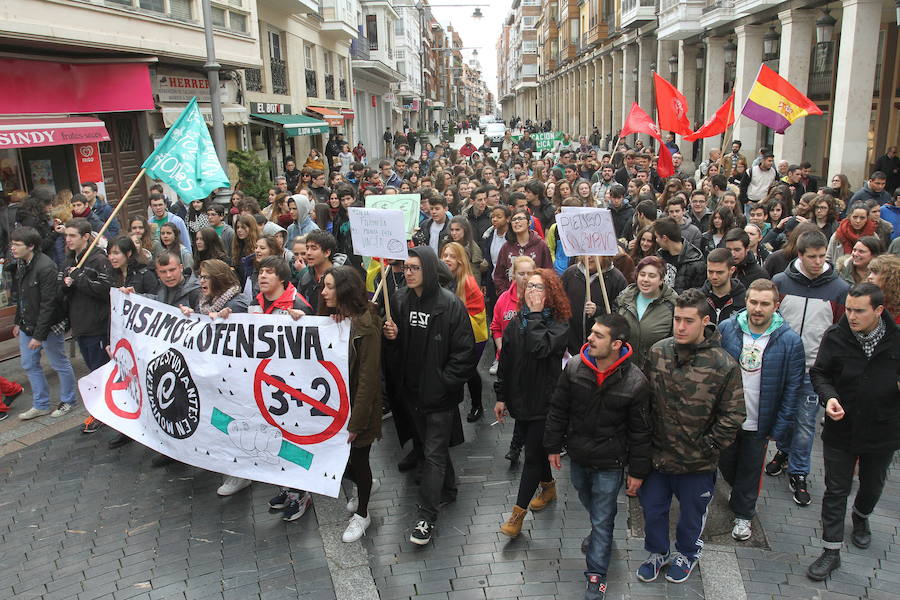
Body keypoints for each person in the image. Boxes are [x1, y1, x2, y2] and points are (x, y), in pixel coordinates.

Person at [638, 289, 745, 584]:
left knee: (691, 515)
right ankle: (657, 552)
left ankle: (687, 553)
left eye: (688, 320)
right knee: (653, 508)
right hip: (658, 457)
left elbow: (734, 415)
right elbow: (643, 400)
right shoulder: (658, 352)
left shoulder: (723, 364)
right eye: (677, 320)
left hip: (697, 463)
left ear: (705, 321)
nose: (681, 327)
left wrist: (708, 446)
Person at [543, 313, 651, 599]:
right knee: (587, 498)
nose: (589, 338)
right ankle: (600, 530)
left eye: (598, 335)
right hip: (579, 456)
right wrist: (553, 446)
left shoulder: (636, 382)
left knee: (603, 517)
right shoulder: (575, 367)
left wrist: (637, 472)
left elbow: (641, 431)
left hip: (610, 462)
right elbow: (558, 408)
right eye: (591, 332)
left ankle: (596, 577)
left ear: (617, 344)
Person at [382, 247, 476, 546]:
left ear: (429, 270)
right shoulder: (398, 300)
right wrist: (392, 339)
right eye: (406, 267)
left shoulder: (450, 305)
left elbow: (465, 352)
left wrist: (444, 383)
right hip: (412, 394)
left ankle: (426, 516)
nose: (408, 272)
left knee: (432, 454)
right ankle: (447, 490)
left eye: (414, 268)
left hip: (438, 397)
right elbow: (395, 352)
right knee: (429, 448)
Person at [807, 283, 900, 581]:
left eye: (859, 311)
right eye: (847, 309)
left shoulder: (896, 340)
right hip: (841, 429)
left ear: (878, 311)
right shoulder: (836, 336)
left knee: (872, 485)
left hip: (882, 430)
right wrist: (829, 397)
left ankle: (861, 516)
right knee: (836, 489)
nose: (851, 315)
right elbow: (819, 372)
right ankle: (830, 551)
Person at [718, 279, 805, 541]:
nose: (758, 308)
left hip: (760, 421)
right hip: (728, 419)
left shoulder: (790, 341)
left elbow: (793, 388)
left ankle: (744, 515)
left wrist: (780, 427)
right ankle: (739, 491)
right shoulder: (727, 329)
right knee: (727, 463)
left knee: (751, 469)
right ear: (746, 302)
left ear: (775, 306)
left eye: (764, 304)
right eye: (753, 302)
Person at [768, 230, 849, 506]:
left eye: (821, 256)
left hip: (813, 370)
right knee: (784, 417)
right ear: (800, 255)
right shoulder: (780, 282)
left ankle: (799, 471)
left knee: (805, 423)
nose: (817, 262)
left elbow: (840, 331)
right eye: (811, 257)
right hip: (781, 366)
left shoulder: (839, 289)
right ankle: (783, 451)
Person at [494, 269, 569, 536]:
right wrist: (501, 395)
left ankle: (517, 515)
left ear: (550, 294)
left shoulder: (559, 324)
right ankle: (548, 486)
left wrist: (536, 315)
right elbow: (506, 360)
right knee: (535, 449)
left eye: (539, 288)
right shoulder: (517, 322)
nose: (532, 293)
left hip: (546, 402)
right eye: (529, 287)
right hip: (521, 399)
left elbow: (540, 348)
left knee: (532, 457)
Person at [314, 267, 385, 542]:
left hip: (359, 407)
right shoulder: (334, 320)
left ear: (344, 289)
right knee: (341, 462)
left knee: (358, 458)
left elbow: (368, 378)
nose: (324, 292)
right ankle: (366, 485)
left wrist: (356, 422)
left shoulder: (365, 326)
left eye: (329, 287)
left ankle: (363, 513)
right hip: (334, 406)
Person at [10, 227, 76, 421]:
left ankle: (68, 400)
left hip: (49, 324)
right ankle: (41, 404)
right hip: (27, 323)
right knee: (29, 363)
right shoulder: (22, 263)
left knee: (59, 362)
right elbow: (22, 296)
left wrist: (39, 335)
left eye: (17, 244)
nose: (12, 248)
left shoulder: (45, 267)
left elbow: (49, 304)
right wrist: (18, 322)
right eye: (12, 243)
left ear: (30, 246)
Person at [62, 218, 114, 433]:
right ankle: (101, 411)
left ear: (85, 237)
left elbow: (104, 290)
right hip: (80, 324)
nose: (68, 239)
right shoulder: (70, 258)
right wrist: (65, 284)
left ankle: (104, 414)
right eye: (66, 235)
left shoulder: (98, 259)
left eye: (73, 235)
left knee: (101, 371)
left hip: (96, 325)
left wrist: (78, 277)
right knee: (93, 370)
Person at [441, 242, 489, 423]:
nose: (447, 259)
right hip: (456, 332)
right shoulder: (443, 278)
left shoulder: (467, 282)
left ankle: (477, 406)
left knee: (468, 371)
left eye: (452, 256)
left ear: (461, 260)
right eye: (445, 255)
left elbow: (474, 314)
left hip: (473, 334)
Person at [614, 256, 678, 371]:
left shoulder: (673, 305)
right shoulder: (624, 298)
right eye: (642, 274)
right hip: (624, 369)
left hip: (657, 372)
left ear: (661, 279)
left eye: (652, 276)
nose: (645, 279)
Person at [560, 256, 627, 355]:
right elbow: (558, 305)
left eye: (594, 253)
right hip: (570, 349)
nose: (589, 257)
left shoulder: (616, 279)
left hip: (601, 353)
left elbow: (621, 317)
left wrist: (598, 311)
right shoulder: (571, 273)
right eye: (586, 253)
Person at [493, 208, 553, 295]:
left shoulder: (541, 245)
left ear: (529, 222)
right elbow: (499, 275)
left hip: (536, 295)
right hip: (511, 297)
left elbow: (548, 273)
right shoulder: (506, 247)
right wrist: (505, 294)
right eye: (514, 220)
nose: (517, 222)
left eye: (520, 218)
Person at [652, 217, 706, 293]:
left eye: (657, 237)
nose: (656, 240)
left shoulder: (696, 262)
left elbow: (698, 295)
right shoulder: (659, 257)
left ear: (664, 238)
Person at [296, 230, 339, 313]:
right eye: (307, 248)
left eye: (314, 248)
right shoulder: (305, 278)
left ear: (327, 252)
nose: (308, 253)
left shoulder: (342, 278)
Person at [701, 248, 747, 324]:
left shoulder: (744, 300)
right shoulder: (699, 298)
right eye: (710, 272)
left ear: (732, 270)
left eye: (720, 272)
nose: (714, 276)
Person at [826, 202, 877, 267]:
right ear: (849, 217)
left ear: (867, 219)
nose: (858, 221)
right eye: (855, 217)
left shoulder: (873, 236)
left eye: (862, 218)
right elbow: (828, 258)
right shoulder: (838, 235)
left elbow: (877, 258)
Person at [867, 254, 900, 321]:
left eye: (875, 273)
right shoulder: (866, 297)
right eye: (870, 272)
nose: (869, 277)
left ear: (890, 277)